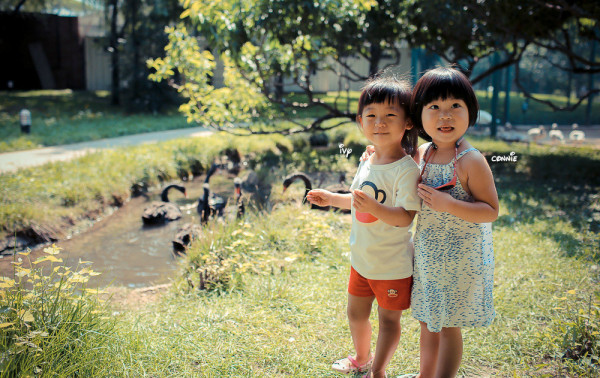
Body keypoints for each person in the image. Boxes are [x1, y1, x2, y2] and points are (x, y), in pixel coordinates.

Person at [306, 75, 421, 378]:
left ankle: (378, 371)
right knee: (356, 314)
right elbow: (358, 203)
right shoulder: (367, 160)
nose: (379, 122)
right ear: (360, 121)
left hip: (391, 266)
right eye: (371, 115)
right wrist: (331, 198)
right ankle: (361, 357)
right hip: (362, 260)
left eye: (389, 116)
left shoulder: (406, 169)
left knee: (388, 321)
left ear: (407, 122)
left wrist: (376, 208)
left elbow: (406, 217)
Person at [403, 67, 498, 378]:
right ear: (419, 116)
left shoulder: (471, 160)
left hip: (460, 260)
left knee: (448, 324)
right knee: (427, 319)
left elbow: (490, 211)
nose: (445, 116)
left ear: (470, 111)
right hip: (429, 254)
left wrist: (451, 204)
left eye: (455, 105)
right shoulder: (422, 154)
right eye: (434, 107)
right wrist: (373, 156)